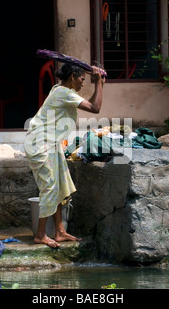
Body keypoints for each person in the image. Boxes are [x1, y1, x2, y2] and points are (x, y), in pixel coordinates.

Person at [24, 63, 105, 248]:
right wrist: (98, 83)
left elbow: (92, 103)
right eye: (81, 79)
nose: (83, 84)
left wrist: (99, 84)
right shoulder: (64, 93)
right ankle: (41, 235)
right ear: (72, 77)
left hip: (51, 143)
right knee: (50, 187)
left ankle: (59, 232)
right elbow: (95, 107)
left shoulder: (59, 89)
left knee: (60, 185)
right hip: (40, 144)